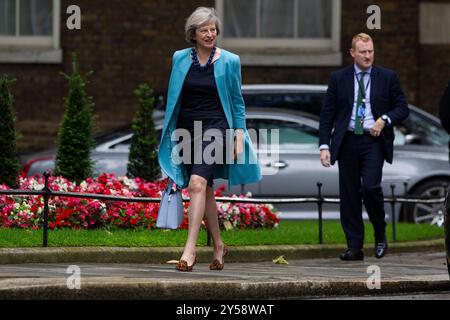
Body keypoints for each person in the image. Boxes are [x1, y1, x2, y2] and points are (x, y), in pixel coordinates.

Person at [158, 7, 261, 271]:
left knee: (196, 183)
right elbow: (175, 99)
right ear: (193, 33)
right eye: (204, 30)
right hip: (186, 130)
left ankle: (189, 250)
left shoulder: (229, 61)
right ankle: (218, 246)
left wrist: (239, 135)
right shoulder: (179, 58)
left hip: (216, 128)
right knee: (204, 189)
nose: (210, 34)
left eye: (213, 29)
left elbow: (238, 103)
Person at [319, 33, 409, 261]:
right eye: (363, 52)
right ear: (352, 53)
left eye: (370, 51)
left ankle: (380, 234)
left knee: (370, 188)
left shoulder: (387, 77)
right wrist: (324, 146)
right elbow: (327, 114)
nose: (368, 56)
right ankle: (355, 246)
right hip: (347, 140)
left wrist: (385, 119)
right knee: (348, 194)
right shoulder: (339, 78)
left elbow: (402, 108)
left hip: (373, 141)